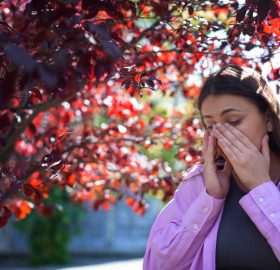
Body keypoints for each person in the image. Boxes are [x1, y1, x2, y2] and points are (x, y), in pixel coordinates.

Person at [143, 64, 280, 270]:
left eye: (233, 121)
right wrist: (210, 199)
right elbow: (157, 265)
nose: (220, 134)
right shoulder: (200, 182)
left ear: (268, 119)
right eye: (210, 125)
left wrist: (262, 188)